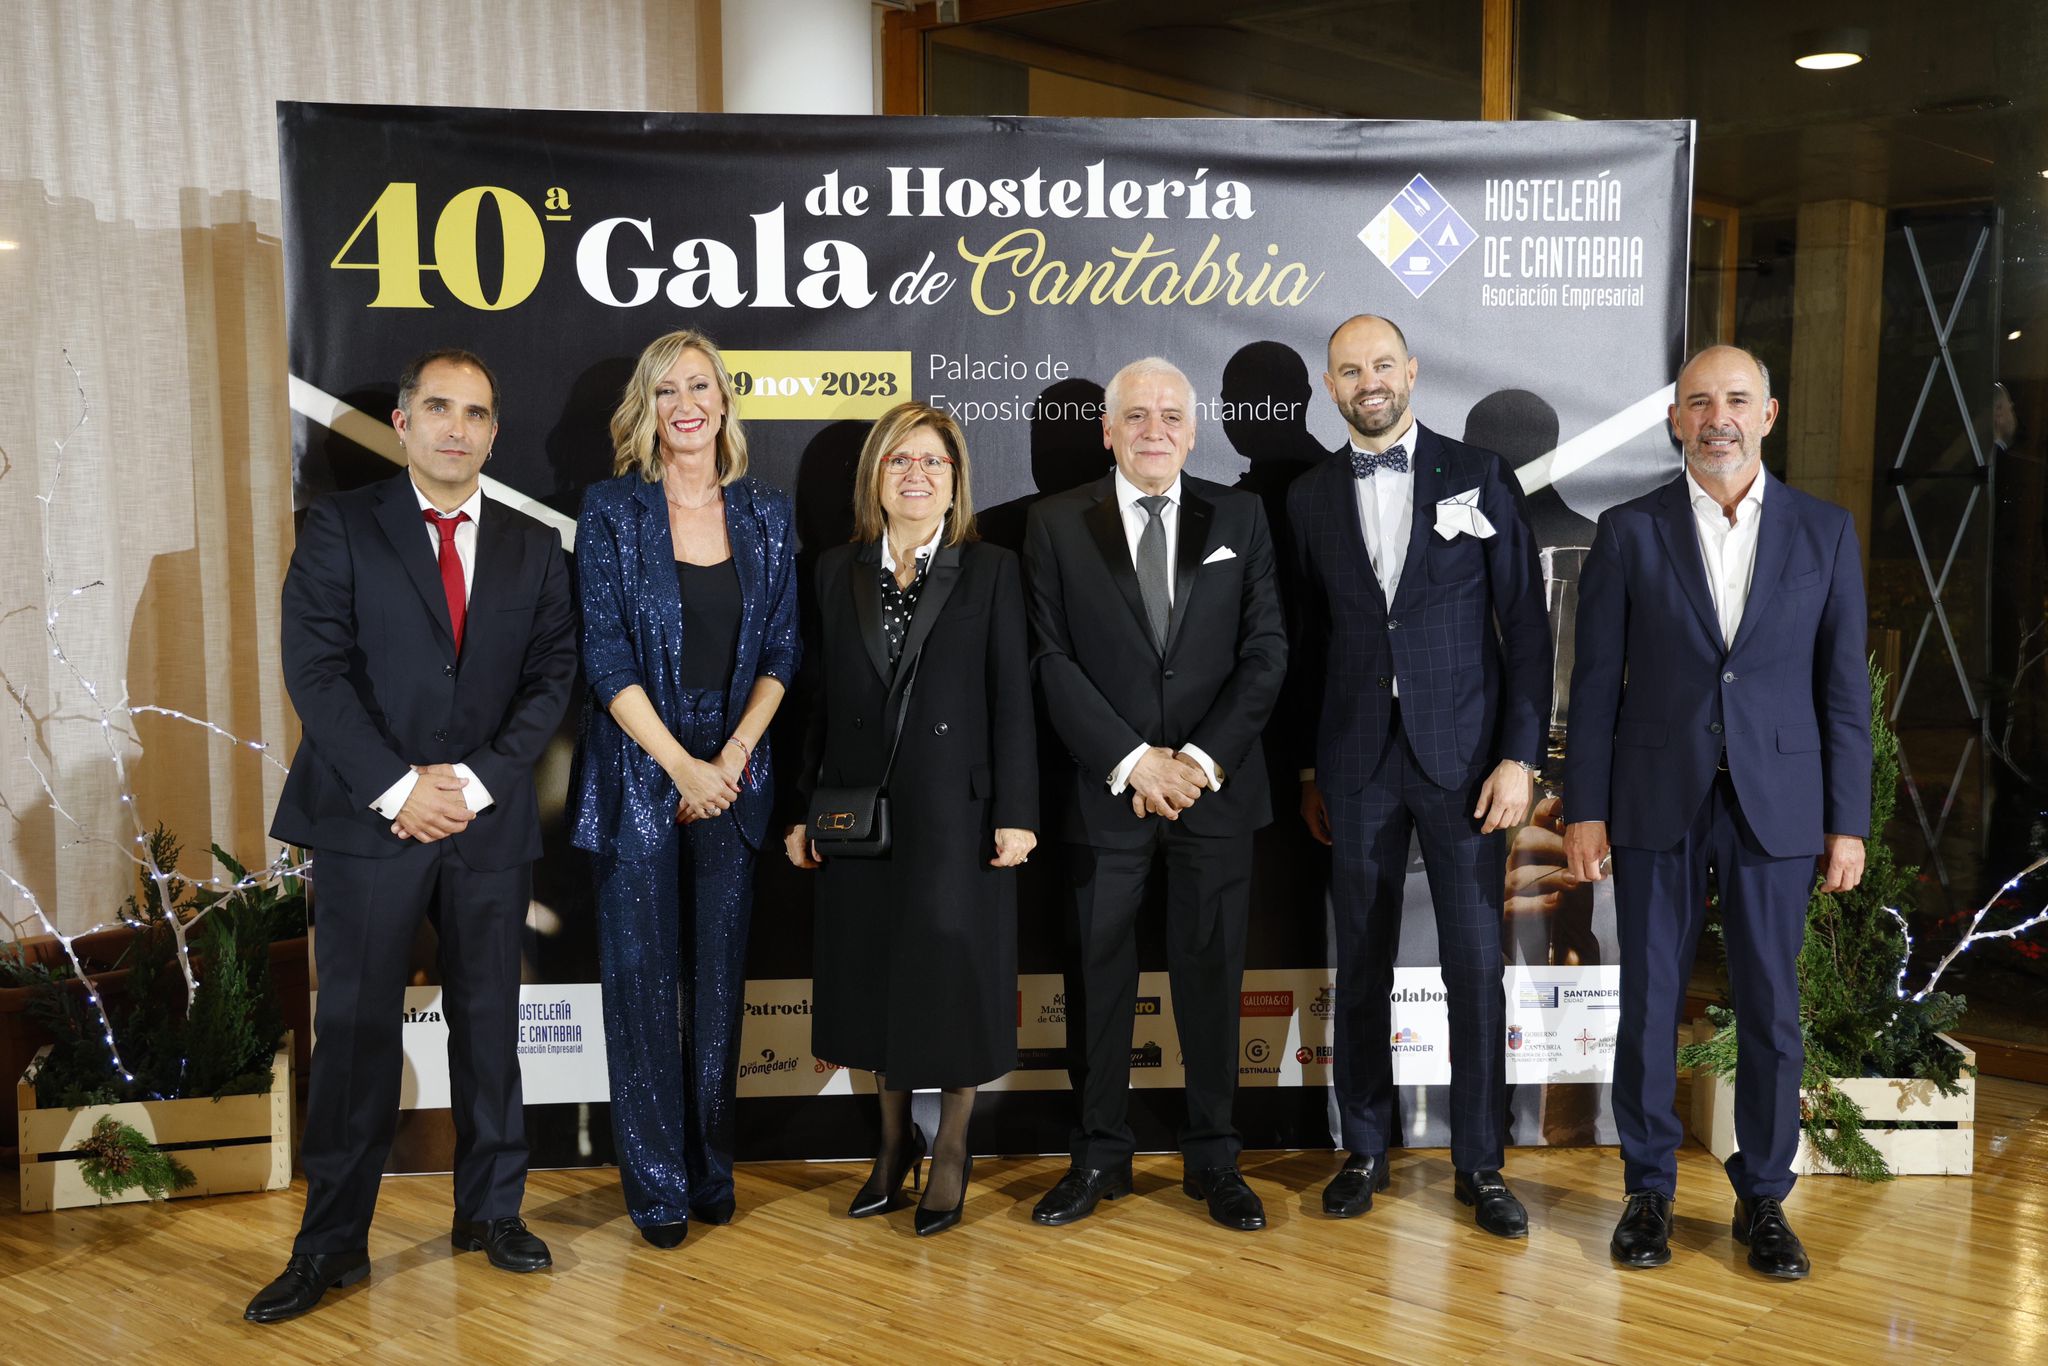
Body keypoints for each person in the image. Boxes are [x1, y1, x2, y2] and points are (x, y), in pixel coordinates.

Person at [249, 349, 577, 1323]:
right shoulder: (339, 527)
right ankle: (331, 1247)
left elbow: (551, 676)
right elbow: (315, 669)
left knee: (490, 1028)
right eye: (438, 407)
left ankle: (492, 1212)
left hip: (486, 822)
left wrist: (471, 782)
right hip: (368, 823)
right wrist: (399, 786)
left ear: (490, 431)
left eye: (476, 412)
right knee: (352, 1037)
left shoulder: (530, 544)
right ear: (401, 423)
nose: (456, 427)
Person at [1563, 344, 1870, 1280]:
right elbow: (1595, 691)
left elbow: (1843, 694)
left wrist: (1847, 821)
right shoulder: (1628, 531)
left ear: (1769, 415)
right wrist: (1584, 809)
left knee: (1773, 1009)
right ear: (1675, 421)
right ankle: (1648, 1189)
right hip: (1655, 798)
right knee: (1651, 1001)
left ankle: (1765, 1198)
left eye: (1736, 399)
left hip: (1778, 805)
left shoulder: (1826, 533)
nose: (1717, 417)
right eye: (1699, 402)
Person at [1287, 315, 1551, 1237]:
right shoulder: (1309, 496)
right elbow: (1309, 643)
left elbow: (1527, 626)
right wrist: (1313, 765)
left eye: (1383, 364)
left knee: (1474, 965)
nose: (1370, 380)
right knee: (1358, 963)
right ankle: (1365, 1149)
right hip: (1357, 762)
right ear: (1331, 386)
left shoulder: (1477, 476)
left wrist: (1521, 757)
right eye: (1351, 369)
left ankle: (1481, 1164)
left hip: (1467, 765)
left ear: (1413, 372)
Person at [1023, 357, 1287, 1232]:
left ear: (1194, 427)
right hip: (1109, 794)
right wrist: (1136, 761)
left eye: (1172, 415)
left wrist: (1198, 761)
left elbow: (1266, 654)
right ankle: (1099, 1155)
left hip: (1216, 792)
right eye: (1136, 415)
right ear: (1107, 430)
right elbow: (1048, 660)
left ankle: (1215, 1157)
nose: (1155, 430)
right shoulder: (1055, 525)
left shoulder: (1241, 517)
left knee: (1211, 978)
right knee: (1099, 982)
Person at [783, 402, 1037, 1236]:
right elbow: (815, 703)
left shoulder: (992, 568)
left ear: (956, 479)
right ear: (875, 478)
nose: (917, 476)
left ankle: (953, 1149)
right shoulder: (833, 569)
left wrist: (1017, 814)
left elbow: (1012, 700)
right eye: (899, 462)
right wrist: (804, 813)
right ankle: (891, 1150)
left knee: (954, 991)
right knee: (876, 985)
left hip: (958, 820)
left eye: (933, 462)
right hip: (864, 821)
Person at [570, 329, 799, 1248]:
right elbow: (605, 654)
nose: (686, 404)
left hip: (736, 772)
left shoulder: (769, 513)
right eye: (668, 391)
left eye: (700, 386)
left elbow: (783, 650)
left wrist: (733, 758)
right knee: (639, 987)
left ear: (725, 403)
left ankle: (710, 1167)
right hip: (641, 769)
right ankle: (657, 1186)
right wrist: (681, 766)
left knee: (718, 987)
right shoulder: (611, 510)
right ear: (647, 409)